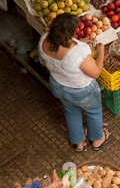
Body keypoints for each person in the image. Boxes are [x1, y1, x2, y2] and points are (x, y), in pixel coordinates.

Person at [38, 13, 109, 152]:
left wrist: (80, 42)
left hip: (58, 86)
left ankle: (79, 143)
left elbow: (61, 50)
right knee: (93, 112)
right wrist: (101, 52)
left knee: (71, 112)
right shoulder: (78, 53)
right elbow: (95, 72)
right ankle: (97, 140)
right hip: (81, 90)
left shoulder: (44, 40)